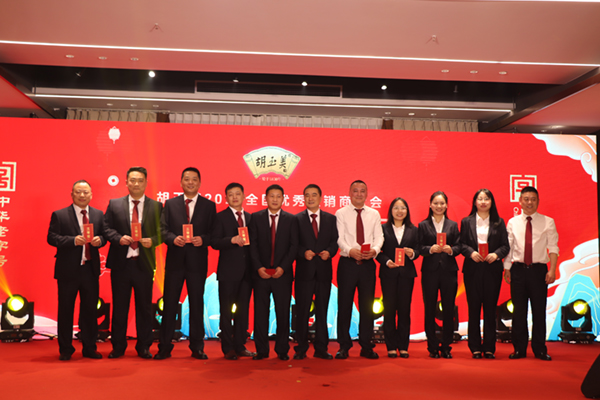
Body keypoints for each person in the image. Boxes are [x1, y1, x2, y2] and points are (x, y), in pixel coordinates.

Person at [154, 167, 216, 360]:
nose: (190, 182)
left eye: (194, 179)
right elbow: (162, 230)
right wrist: (173, 239)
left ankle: (197, 346)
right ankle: (164, 346)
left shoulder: (209, 206)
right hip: (175, 262)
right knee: (170, 303)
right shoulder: (170, 204)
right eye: (187, 179)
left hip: (197, 263)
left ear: (199, 183)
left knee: (197, 304)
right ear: (181, 182)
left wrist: (203, 239)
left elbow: (214, 233)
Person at [103, 167, 162, 359]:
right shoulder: (114, 204)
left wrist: (153, 241)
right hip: (121, 264)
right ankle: (118, 346)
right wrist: (118, 238)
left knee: (144, 307)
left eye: (140, 180)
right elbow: (106, 228)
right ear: (126, 182)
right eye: (133, 180)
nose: (136, 184)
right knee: (120, 307)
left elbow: (163, 232)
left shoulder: (156, 206)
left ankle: (144, 346)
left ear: (146, 183)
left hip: (144, 264)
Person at [47, 180, 106, 360]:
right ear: (72, 194)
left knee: (90, 310)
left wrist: (100, 240)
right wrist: (72, 240)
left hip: (90, 269)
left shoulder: (98, 214)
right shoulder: (60, 215)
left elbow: (104, 235)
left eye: (85, 192)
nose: (82, 195)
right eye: (78, 192)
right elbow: (51, 238)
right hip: (68, 271)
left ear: (91, 195)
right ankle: (66, 349)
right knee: (66, 310)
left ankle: (89, 347)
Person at [504, 186, 558, 361]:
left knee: (539, 311)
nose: (529, 202)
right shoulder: (512, 222)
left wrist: (552, 270)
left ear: (538, 201)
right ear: (520, 201)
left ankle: (540, 349)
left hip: (539, 271)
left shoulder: (548, 221)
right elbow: (509, 248)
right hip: (518, 270)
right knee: (518, 312)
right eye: (526, 199)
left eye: (533, 199)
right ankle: (519, 349)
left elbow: (553, 248)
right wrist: (507, 268)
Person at [335, 180, 384, 360]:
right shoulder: (341, 213)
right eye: (355, 191)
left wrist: (375, 251)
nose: (359, 194)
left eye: (362, 191)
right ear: (349, 193)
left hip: (368, 265)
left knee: (367, 307)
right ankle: (344, 346)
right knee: (344, 305)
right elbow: (339, 238)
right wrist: (350, 251)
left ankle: (366, 346)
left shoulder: (374, 214)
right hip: (347, 264)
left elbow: (379, 237)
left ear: (367, 194)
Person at [249, 184, 298, 360]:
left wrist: (282, 267)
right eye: (272, 196)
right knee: (260, 313)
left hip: (282, 275)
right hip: (260, 274)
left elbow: (294, 246)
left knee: (283, 313)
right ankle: (261, 350)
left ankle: (282, 350)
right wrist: (258, 267)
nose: (275, 199)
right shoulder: (256, 218)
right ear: (266, 198)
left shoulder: (291, 219)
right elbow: (252, 245)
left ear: (283, 199)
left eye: (278, 196)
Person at [460, 189, 509, 359]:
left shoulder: (499, 222)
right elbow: (461, 244)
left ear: (491, 202)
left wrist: (496, 255)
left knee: (490, 309)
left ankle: (489, 347)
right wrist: (471, 253)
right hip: (472, 269)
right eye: (479, 199)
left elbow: (505, 246)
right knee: (473, 309)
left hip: (492, 269)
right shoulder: (466, 221)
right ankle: (474, 347)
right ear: (475, 202)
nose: (483, 202)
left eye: (486, 199)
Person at [293, 184, 338, 360]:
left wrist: (330, 252)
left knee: (322, 311)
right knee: (302, 312)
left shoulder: (331, 219)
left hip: (323, 273)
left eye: (314, 195)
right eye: (307, 195)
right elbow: (293, 244)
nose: (310, 198)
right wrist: (303, 252)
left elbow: (335, 242)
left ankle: (321, 348)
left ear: (320, 198)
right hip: (304, 273)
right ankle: (301, 348)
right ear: (303, 198)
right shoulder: (296, 219)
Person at [211, 182, 255, 360]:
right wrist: (231, 240)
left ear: (244, 196)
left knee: (243, 311)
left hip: (247, 273)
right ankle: (227, 347)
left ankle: (240, 345)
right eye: (231, 194)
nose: (235, 197)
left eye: (238, 194)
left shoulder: (251, 218)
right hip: (228, 272)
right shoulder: (220, 217)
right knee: (226, 311)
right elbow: (214, 242)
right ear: (226, 197)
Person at [418, 190, 461, 359]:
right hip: (430, 271)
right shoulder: (423, 225)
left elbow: (459, 246)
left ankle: (446, 346)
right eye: (435, 203)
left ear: (446, 205)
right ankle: (432, 346)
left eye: (442, 203)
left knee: (449, 309)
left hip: (449, 271)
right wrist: (430, 249)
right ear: (430, 205)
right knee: (429, 308)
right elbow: (419, 247)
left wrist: (451, 250)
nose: (439, 206)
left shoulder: (452, 225)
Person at [376, 197, 419, 359]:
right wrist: (387, 262)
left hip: (407, 274)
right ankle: (391, 346)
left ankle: (403, 346)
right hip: (388, 274)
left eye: (403, 208)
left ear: (407, 211)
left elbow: (418, 249)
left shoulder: (413, 229)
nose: (399, 211)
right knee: (389, 310)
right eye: (396, 208)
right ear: (391, 211)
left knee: (404, 310)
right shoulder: (382, 229)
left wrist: (412, 253)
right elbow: (377, 251)